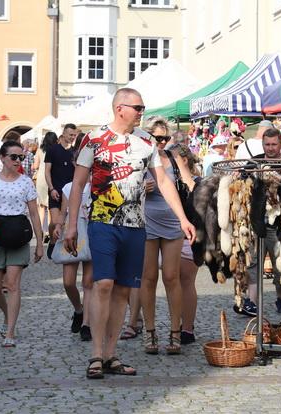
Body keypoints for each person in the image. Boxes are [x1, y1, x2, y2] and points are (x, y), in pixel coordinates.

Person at [63, 88, 195, 379]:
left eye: (143, 107)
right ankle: (96, 354)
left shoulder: (146, 141)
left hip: (136, 226)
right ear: (119, 108)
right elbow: (78, 183)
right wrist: (71, 225)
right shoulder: (94, 138)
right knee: (103, 284)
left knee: (123, 290)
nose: (141, 112)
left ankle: (111, 355)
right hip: (102, 221)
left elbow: (163, 181)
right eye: (138, 107)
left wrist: (183, 218)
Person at [0, 141, 44, 347]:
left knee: (12, 284)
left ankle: (10, 331)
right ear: (2, 158)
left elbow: (34, 213)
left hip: (19, 237)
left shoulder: (26, 182)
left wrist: (40, 242)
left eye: (21, 157)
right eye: (13, 157)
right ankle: (6, 314)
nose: (18, 161)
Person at [139, 118, 185, 355]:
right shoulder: (139, 158)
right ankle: (149, 331)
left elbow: (190, 183)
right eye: (158, 138)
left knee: (171, 276)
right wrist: (140, 188)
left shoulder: (173, 158)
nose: (162, 143)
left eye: (165, 138)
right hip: (146, 221)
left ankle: (176, 331)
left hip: (172, 221)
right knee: (148, 278)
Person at [234, 128, 281, 316]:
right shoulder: (254, 163)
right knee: (253, 264)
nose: (271, 148)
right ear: (263, 144)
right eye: (267, 144)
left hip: (278, 225)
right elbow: (241, 184)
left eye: (274, 144)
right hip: (256, 221)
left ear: (280, 144)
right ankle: (252, 302)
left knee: (279, 265)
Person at [167, 143, 201, 344]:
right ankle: (177, 325)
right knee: (173, 281)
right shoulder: (166, 181)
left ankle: (187, 327)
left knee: (186, 280)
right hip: (168, 235)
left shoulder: (197, 183)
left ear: (184, 160)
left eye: (173, 159)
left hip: (190, 237)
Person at [54, 177, 93, 341]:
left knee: (88, 282)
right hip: (73, 232)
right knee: (68, 282)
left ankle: (86, 324)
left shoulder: (97, 184)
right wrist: (58, 225)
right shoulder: (68, 187)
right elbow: (64, 211)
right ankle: (79, 310)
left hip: (92, 230)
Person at [44, 123, 78, 230]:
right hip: (55, 191)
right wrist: (51, 188)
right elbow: (47, 171)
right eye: (70, 135)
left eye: (74, 135)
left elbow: (79, 172)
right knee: (55, 222)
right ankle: (51, 239)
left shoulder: (75, 152)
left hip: (69, 193)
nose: (72, 137)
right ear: (63, 134)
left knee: (64, 224)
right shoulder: (52, 149)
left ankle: (57, 240)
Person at [33, 132, 58, 241]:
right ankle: (49, 231)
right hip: (52, 177)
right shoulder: (56, 150)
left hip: (41, 178)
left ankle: (40, 231)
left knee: (41, 206)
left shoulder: (40, 150)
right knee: (51, 206)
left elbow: (35, 166)